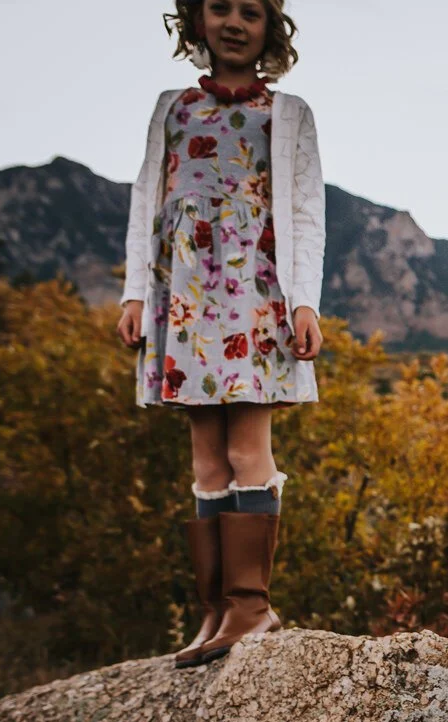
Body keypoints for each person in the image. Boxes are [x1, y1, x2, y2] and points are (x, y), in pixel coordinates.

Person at [116, 0, 325, 668]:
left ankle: (251, 606)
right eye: (219, 8)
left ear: (270, 27)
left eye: (251, 12)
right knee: (205, 460)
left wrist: (304, 305)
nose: (234, 23)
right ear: (196, 20)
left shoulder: (287, 114)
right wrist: (131, 293)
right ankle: (215, 611)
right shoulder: (171, 107)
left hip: (255, 296)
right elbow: (145, 198)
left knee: (246, 449)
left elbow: (305, 215)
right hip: (183, 296)